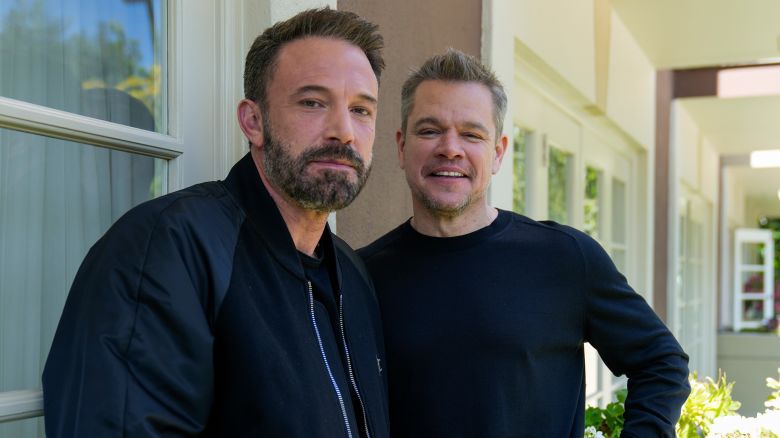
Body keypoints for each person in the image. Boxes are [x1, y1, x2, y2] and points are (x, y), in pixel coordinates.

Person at [43, 8, 389, 437]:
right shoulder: (165, 250)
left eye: (361, 110)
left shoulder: (353, 274)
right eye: (313, 102)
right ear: (253, 121)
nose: (344, 131)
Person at [358, 49, 690, 437]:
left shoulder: (564, 258)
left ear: (497, 153)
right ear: (401, 147)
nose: (451, 148)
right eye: (430, 131)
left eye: (471, 133)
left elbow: (662, 362)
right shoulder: (362, 276)